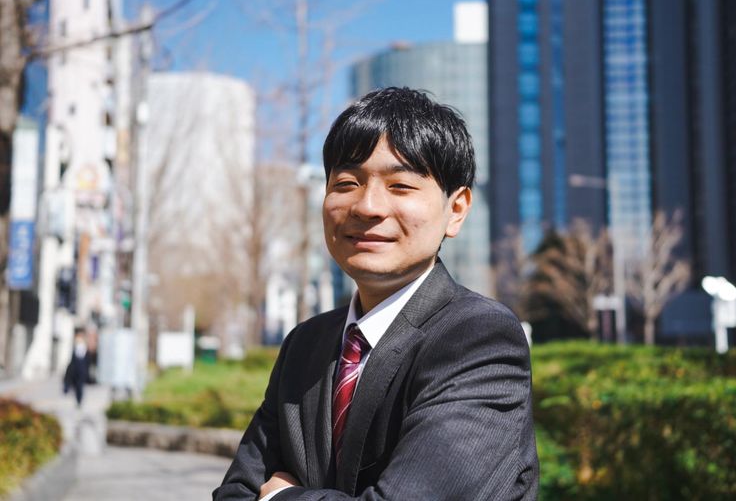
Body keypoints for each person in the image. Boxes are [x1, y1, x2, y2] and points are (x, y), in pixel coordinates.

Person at [214, 87, 539, 500]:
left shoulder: (478, 338)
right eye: (347, 183)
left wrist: (279, 498)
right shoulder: (305, 345)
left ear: (456, 210)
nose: (367, 206)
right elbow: (234, 493)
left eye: (400, 186)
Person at [63, 328, 90, 407]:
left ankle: (79, 400)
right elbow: (72, 360)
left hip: (82, 371)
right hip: (75, 371)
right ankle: (78, 399)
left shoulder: (85, 348)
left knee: (80, 386)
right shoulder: (74, 347)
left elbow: (87, 361)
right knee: (76, 386)